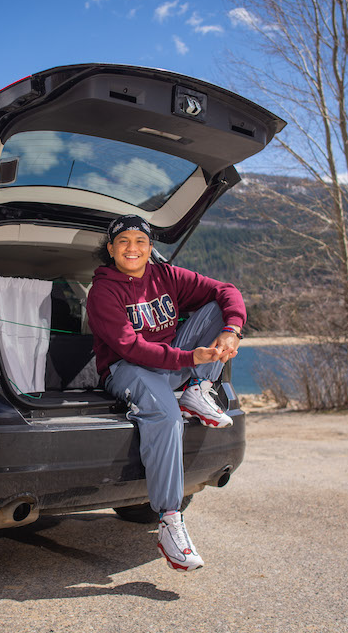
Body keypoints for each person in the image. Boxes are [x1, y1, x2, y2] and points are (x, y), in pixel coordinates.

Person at [86, 214, 245, 572]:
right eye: (123, 241)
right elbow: (131, 348)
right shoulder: (103, 291)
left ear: (150, 247)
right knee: (167, 416)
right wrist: (188, 357)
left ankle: (197, 388)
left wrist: (233, 330)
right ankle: (170, 522)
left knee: (217, 307)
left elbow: (227, 291)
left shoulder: (166, 276)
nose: (132, 248)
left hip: (171, 362)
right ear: (111, 249)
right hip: (125, 368)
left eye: (140, 241)